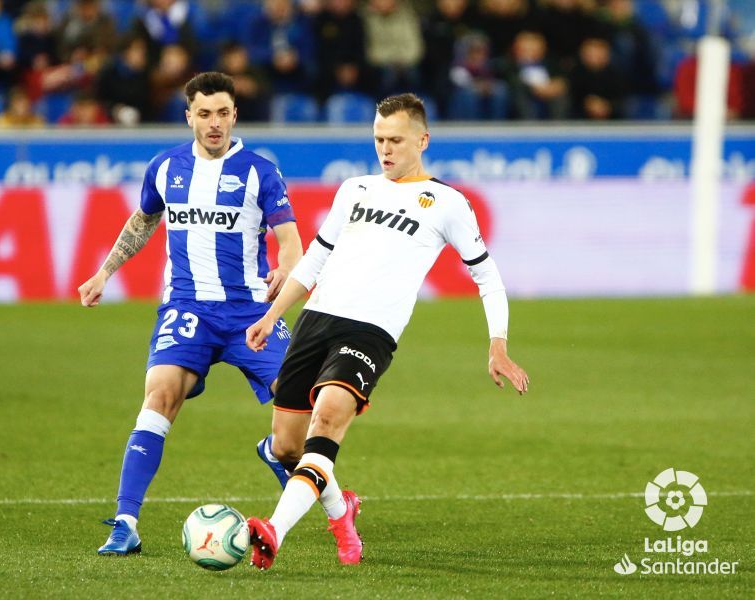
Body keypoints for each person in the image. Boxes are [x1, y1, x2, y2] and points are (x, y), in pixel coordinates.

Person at [244, 93, 529, 570]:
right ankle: (342, 511)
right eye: (378, 139)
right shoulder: (354, 189)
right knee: (289, 447)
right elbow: (316, 257)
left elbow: (487, 276)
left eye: (395, 140)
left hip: (371, 333)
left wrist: (497, 345)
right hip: (316, 320)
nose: (385, 149)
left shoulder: (447, 202)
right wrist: (273, 315)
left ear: (423, 139)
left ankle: (273, 530)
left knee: (328, 421)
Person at [77, 72, 304, 556]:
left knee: (298, 417)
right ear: (189, 117)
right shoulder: (165, 167)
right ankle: (125, 522)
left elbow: (290, 241)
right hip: (187, 309)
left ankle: (290, 465)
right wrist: (104, 272)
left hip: (250, 312)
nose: (214, 123)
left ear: (235, 115)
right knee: (158, 396)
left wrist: (286, 270)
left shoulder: (260, 172)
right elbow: (144, 219)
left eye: (223, 113)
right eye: (205, 114)